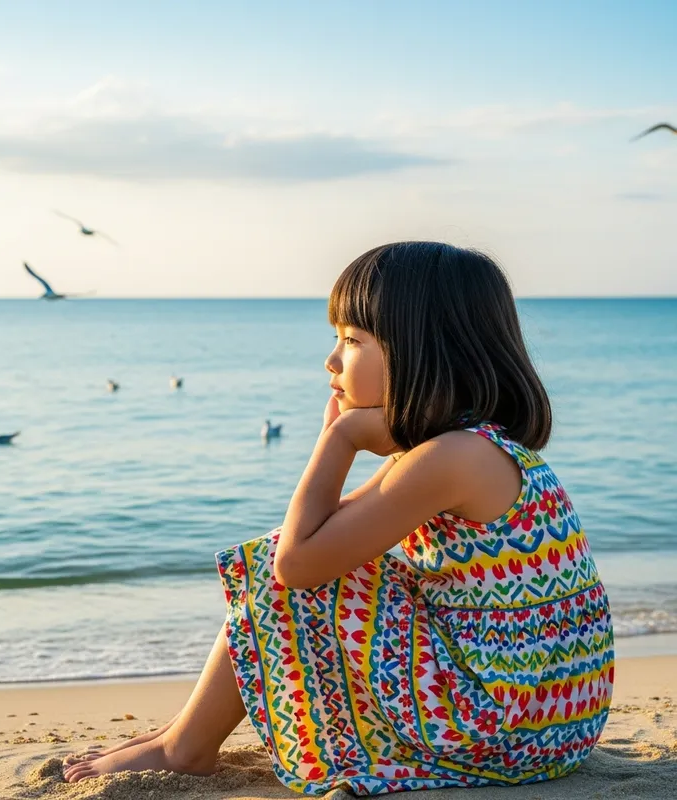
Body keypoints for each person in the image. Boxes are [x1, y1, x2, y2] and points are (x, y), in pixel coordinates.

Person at [63, 242, 614, 794]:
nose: (331, 361)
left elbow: (298, 563)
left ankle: (186, 747)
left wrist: (339, 437)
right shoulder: (471, 447)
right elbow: (331, 532)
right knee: (308, 558)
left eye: (352, 340)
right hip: (551, 718)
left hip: (507, 730)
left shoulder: (452, 458)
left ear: (421, 349)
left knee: (282, 568)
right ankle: (183, 733)